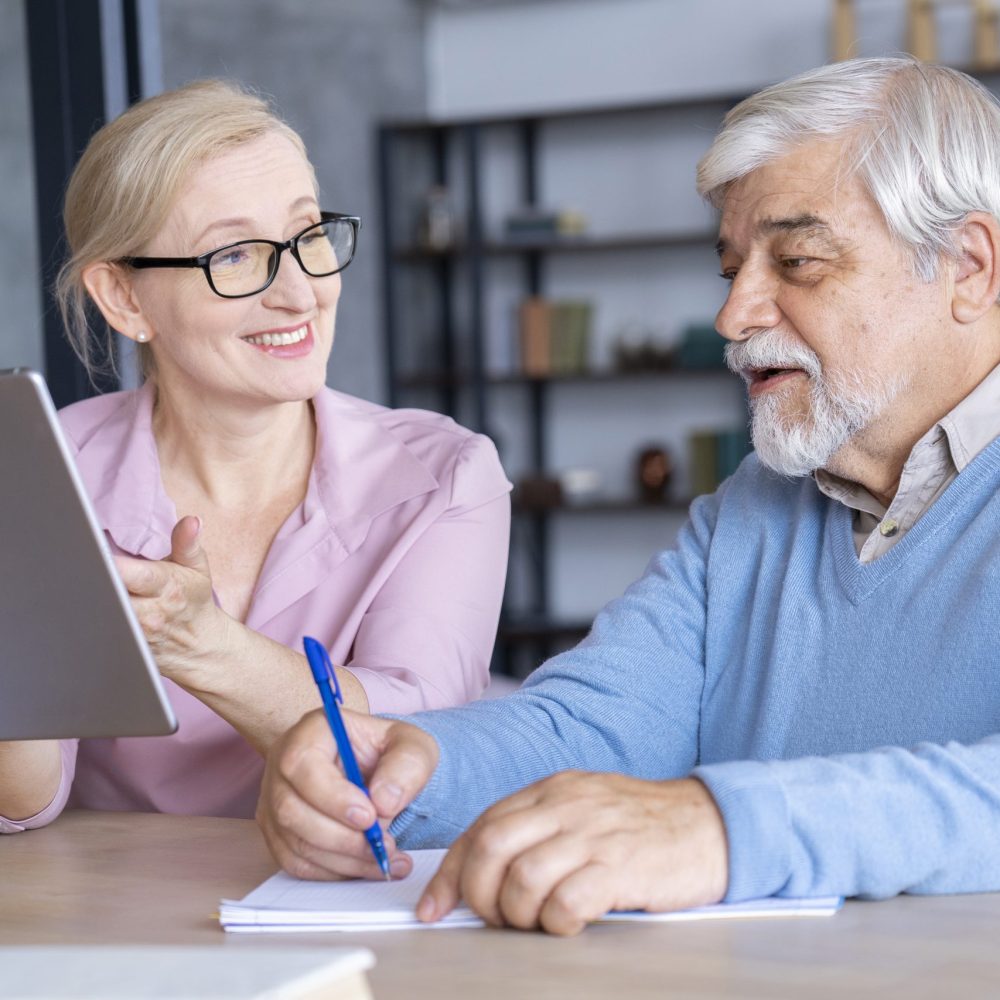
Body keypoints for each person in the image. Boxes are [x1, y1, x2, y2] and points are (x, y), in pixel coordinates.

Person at [258, 56, 1000, 936]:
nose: (734, 317)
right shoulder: (753, 509)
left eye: (798, 261)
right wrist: (407, 765)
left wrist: (719, 828)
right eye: (731, 270)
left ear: (969, 268)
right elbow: (595, 727)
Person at [0, 80, 511, 834]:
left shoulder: (445, 478)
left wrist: (201, 646)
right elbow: (24, 804)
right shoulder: (42, 474)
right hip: (108, 897)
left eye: (309, 235)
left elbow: (415, 756)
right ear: (124, 299)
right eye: (235, 255)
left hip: (351, 892)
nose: (301, 293)